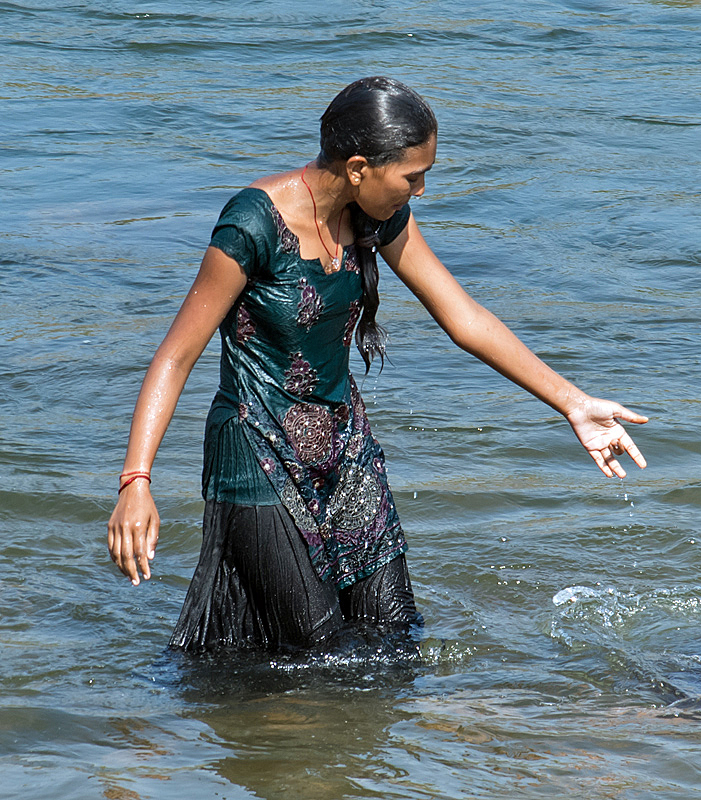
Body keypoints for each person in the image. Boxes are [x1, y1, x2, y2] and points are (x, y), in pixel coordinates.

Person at [107, 76, 647, 652]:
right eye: (413, 177)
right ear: (360, 167)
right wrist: (136, 482)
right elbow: (176, 354)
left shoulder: (376, 217)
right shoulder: (253, 224)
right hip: (257, 456)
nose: (420, 191)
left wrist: (574, 403)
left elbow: (462, 316)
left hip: (346, 451)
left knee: (395, 635)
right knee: (318, 653)